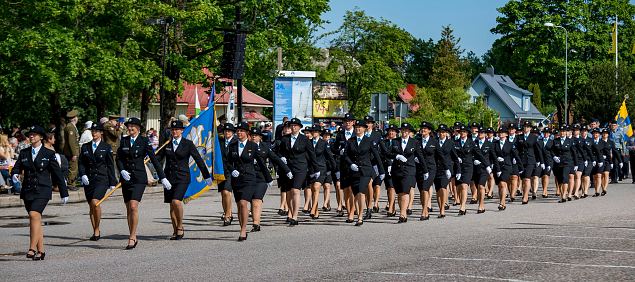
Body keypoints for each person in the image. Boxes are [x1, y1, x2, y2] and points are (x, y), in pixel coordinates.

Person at [11, 125, 69, 260]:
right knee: (35, 219)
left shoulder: (49, 154)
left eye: (34, 134)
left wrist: (64, 192)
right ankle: (41, 251)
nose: (31, 136)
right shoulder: (24, 152)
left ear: (41, 137)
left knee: (34, 214)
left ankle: (31, 248)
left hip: (43, 189)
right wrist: (14, 174)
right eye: (30, 134)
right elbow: (17, 167)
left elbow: (57, 174)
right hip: (28, 190)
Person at [116, 117, 170, 249]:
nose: (130, 128)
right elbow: (119, 158)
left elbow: (154, 159)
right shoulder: (124, 140)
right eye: (129, 126)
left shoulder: (144, 141)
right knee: (129, 208)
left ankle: (132, 236)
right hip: (126, 178)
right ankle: (132, 232)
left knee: (134, 206)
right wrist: (121, 170)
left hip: (139, 178)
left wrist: (162, 177)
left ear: (138, 128)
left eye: (133, 126)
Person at [160, 120, 211, 240]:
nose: (175, 131)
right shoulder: (166, 144)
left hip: (182, 177)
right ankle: (175, 230)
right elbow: (158, 158)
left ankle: (180, 226)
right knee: (171, 205)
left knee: (176, 201)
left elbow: (198, 159)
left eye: (177, 129)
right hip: (169, 178)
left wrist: (206, 175)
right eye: (172, 130)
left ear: (182, 131)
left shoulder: (187, 144)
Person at [226, 122, 272, 240]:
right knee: (239, 205)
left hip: (249, 178)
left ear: (247, 133)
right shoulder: (232, 146)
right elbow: (227, 161)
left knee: (243, 203)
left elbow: (261, 162)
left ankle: (243, 229)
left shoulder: (253, 146)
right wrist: (232, 170)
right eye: (238, 131)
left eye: (242, 131)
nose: (239, 133)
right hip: (237, 179)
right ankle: (242, 226)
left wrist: (268, 178)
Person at [277, 118, 319, 226]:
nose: (293, 127)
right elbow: (278, 151)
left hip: (300, 168)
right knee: (289, 192)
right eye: (291, 125)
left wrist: (316, 169)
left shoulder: (304, 139)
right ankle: (290, 212)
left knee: (295, 190)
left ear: (300, 127)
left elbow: (311, 155)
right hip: (288, 168)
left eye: (296, 125)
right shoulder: (285, 139)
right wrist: (282, 158)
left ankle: (295, 216)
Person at [78, 123, 117, 241]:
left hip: (101, 179)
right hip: (89, 179)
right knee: (91, 206)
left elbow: (110, 165)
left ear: (101, 133)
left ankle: (97, 228)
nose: (94, 133)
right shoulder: (85, 147)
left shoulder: (106, 147)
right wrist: (83, 174)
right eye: (93, 131)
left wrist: (112, 181)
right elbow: (81, 163)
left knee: (96, 202)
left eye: (96, 131)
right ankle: (95, 229)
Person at [343, 120, 385, 226]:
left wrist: (381, 171)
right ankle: (358, 215)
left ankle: (360, 216)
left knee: (361, 192)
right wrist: (350, 164)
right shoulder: (350, 141)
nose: (358, 129)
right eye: (356, 127)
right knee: (356, 193)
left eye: (360, 127)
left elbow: (376, 155)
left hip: (366, 170)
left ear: (364, 129)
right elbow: (346, 155)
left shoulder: (369, 140)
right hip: (353, 171)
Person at [251, 127, 291, 231]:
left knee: (257, 198)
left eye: (256, 135)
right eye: (252, 135)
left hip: (262, 176)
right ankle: (255, 218)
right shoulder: (245, 146)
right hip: (248, 176)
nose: (254, 137)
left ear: (260, 137)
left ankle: (256, 223)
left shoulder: (265, 147)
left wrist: (287, 170)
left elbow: (276, 159)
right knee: (251, 200)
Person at [306, 125, 335, 219]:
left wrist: (334, 168)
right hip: (311, 169)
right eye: (312, 131)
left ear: (319, 133)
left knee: (316, 186)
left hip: (321, 168)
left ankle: (313, 208)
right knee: (313, 190)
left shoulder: (323, 143)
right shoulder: (308, 142)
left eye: (315, 131)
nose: (314, 133)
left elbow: (330, 156)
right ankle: (316, 211)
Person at [333, 113, 356, 217]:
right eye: (346, 121)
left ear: (353, 122)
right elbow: (333, 148)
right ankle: (348, 210)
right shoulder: (340, 135)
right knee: (345, 189)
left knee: (352, 189)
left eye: (350, 121)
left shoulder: (356, 133)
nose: (348, 123)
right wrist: (339, 151)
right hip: (343, 165)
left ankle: (352, 210)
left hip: (354, 164)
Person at [516, 121, 544, 204]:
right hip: (521, 160)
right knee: (523, 179)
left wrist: (540, 161)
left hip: (530, 160)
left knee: (527, 178)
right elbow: (516, 149)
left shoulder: (534, 137)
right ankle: (525, 193)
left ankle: (525, 196)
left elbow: (538, 150)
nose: (525, 128)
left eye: (527, 127)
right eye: (524, 126)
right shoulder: (519, 137)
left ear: (530, 128)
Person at [416, 122, 437, 220]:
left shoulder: (434, 142)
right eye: (422, 128)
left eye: (425, 128)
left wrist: (446, 168)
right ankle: (424, 208)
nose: (423, 130)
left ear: (429, 131)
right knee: (421, 191)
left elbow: (440, 156)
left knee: (425, 188)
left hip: (430, 169)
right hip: (420, 169)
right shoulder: (417, 141)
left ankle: (424, 211)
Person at [433, 124, 455, 218]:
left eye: (443, 132)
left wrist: (457, 169)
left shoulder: (450, 143)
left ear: (446, 133)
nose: (441, 134)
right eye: (440, 132)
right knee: (438, 189)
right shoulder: (434, 142)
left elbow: (454, 155)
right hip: (436, 168)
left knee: (443, 187)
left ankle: (442, 209)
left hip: (446, 168)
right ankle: (440, 207)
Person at [363, 116, 384, 213]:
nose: (367, 124)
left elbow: (383, 149)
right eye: (366, 122)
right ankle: (369, 205)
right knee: (368, 184)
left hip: (375, 163)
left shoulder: (377, 135)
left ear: (372, 124)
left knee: (376, 184)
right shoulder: (361, 134)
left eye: (369, 122)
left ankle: (375, 202)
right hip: (366, 163)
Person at [218, 123, 237, 226]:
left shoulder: (236, 142)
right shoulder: (220, 142)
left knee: (226, 192)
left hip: (232, 171)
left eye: (229, 131)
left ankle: (228, 215)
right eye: (225, 131)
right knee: (223, 193)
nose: (227, 132)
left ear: (233, 132)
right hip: (221, 171)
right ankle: (226, 212)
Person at [472, 127, 493, 213]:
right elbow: (470, 154)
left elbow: (492, 156)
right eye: (479, 132)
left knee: (481, 186)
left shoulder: (489, 144)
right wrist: (473, 160)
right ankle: (480, 201)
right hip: (476, 167)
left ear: (485, 134)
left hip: (485, 168)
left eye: (482, 132)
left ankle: (481, 205)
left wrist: (491, 166)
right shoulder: (474, 143)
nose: (480, 134)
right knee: (477, 186)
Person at [552, 126, 574, 203]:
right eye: (561, 131)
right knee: (560, 179)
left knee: (565, 178)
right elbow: (552, 150)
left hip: (567, 162)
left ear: (566, 132)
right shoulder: (555, 141)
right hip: (558, 163)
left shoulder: (570, 141)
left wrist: (576, 164)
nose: (562, 133)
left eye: (564, 131)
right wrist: (554, 156)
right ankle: (562, 195)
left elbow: (573, 152)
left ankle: (564, 195)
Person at [382, 125, 398, 216]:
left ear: (396, 132)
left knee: (392, 187)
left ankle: (391, 207)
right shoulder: (385, 142)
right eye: (390, 131)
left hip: (396, 167)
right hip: (386, 167)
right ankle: (393, 207)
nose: (391, 133)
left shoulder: (398, 142)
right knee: (389, 188)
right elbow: (383, 154)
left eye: (393, 131)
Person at [63, 110, 81, 188]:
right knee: (73, 168)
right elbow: (71, 142)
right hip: (71, 152)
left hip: (73, 151)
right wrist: (74, 154)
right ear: (74, 118)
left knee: (74, 168)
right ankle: (71, 184)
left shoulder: (72, 127)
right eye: (76, 117)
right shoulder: (70, 127)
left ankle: (72, 183)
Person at [539, 128, 554, 197]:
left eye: (547, 133)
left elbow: (553, 152)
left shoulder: (552, 142)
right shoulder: (539, 141)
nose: (546, 134)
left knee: (546, 175)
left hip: (549, 160)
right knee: (542, 176)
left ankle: (545, 191)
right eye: (544, 132)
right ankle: (544, 189)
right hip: (541, 160)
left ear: (549, 134)